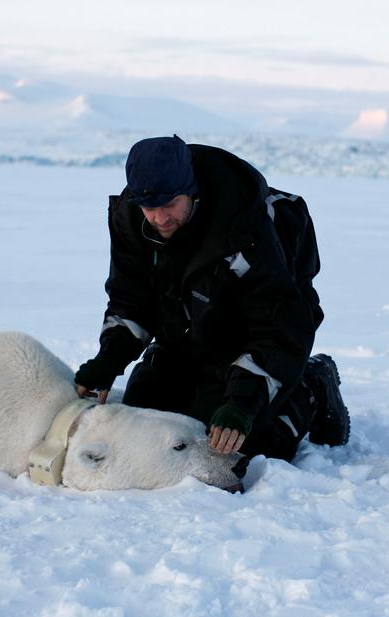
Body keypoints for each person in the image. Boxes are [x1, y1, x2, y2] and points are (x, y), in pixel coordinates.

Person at [74, 135, 348, 462]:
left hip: (252, 344)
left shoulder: (244, 228)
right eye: (150, 207)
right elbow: (131, 298)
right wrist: (110, 358)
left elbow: (277, 326)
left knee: (235, 448)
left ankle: (311, 388)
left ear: (192, 192)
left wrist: (243, 402)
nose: (160, 218)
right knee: (145, 426)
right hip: (186, 337)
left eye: (170, 204)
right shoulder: (132, 223)